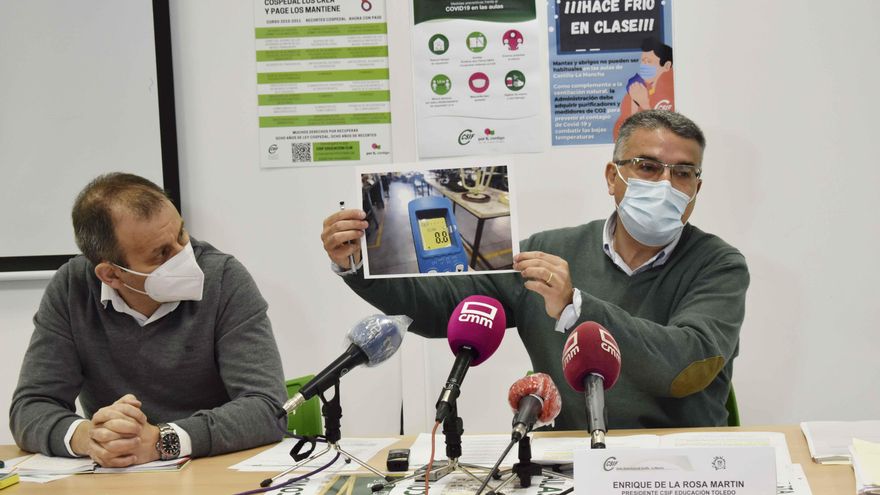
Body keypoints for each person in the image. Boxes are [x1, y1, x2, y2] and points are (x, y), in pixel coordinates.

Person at [321, 110, 749, 430]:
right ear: (612, 176)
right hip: (569, 462)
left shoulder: (719, 265)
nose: (665, 184)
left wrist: (576, 306)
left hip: (682, 468)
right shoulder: (549, 251)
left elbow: (684, 366)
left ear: (697, 187)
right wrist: (357, 263)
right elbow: (444, 311)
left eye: (683, 173)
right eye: (648, 167)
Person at [10, 173, 287, 467]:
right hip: (117, 479)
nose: (185, 256)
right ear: (111, 275)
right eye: (162, 253)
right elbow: (30, 408)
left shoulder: (223, 279)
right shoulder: (71, 288)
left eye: (181, 234)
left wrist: (161, 441)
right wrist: (91, 438)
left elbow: (268, 408)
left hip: (212, 469)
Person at [613, 38, 675, 140]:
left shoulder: (673, 92)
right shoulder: (638, 90)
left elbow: (665, 137)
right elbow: (621, 137)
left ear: (667, 66)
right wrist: (634, 102)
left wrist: (644, 104)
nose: (644, 66)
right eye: (643, 61)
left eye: (649, 61)